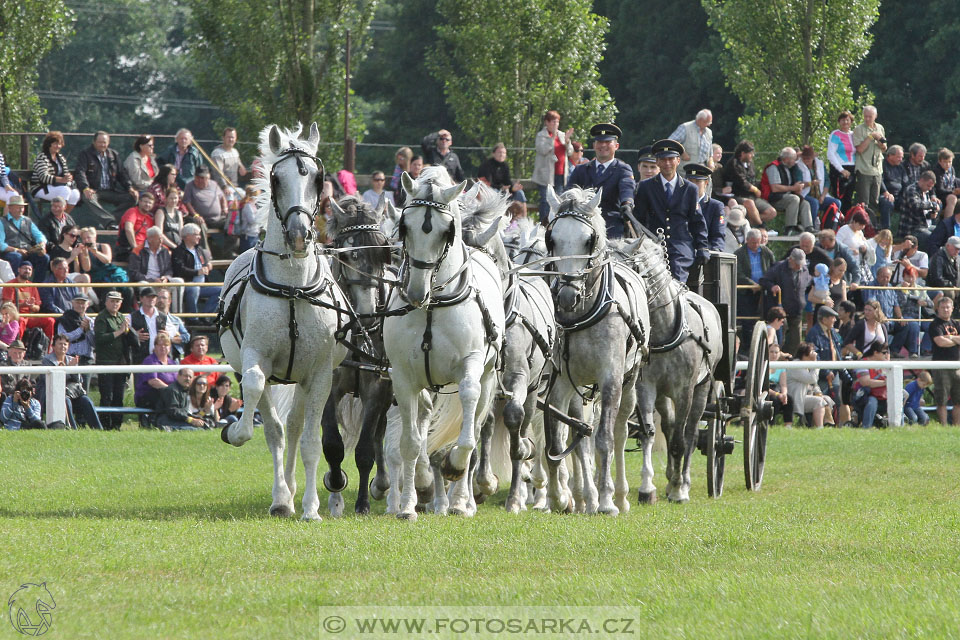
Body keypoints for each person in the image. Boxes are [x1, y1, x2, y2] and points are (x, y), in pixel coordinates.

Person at [635, 139, 708, 284]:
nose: (667, 163)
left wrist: (702, 247)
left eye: (671, 159)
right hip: (653, 244)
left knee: (675, 273)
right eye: (663, 159)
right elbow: (639, 219)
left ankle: (677, 305)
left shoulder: (690, 189)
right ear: (657, 162)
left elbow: (697, 221)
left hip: (680, 245)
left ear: (678, 161)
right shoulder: (646, 187)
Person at [568, 123, 636, 240]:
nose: (603, 145)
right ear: (594, 145)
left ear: (616, 146)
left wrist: (627, 203)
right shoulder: (580, 170)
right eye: (599, 142)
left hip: (611, 225)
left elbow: (627, 188)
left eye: (608, 142)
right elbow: (568, 194)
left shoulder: (623, 169)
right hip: (582, 224)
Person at [39, 334, 104, 430]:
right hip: (52, 396)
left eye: (65, 344)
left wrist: (72, 369)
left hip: (72, 394)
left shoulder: (71, 359)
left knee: (86, 401)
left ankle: (98, 429)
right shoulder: (47, 360)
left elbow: (78, 380)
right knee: (65, 401)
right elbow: (51, 381)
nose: (63, 346)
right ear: (53, 346)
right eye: (60, 344)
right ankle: (72, 428)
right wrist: (68, 369)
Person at [94, 290, 136, 429]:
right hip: (106, 362)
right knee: (107, 396)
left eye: (117, 301)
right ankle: (105, 425)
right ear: (106, 302)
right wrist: (119, 332)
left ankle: (117, 425)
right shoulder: (101, 317)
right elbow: (99, 339)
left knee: (119, 395)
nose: (114, 304)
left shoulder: (121, 318)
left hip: (120, 362)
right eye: (112, 301)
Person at [74, 131, 138, 218]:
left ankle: (112, 219)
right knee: (88, 198)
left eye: (104, 142)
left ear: (108, 143)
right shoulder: (85, 154)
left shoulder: (113, 155)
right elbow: (80, 172)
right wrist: (85, 188)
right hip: (94, 190)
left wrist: (130, 188)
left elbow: (122, 173)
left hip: (111, 190)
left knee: (132, 198)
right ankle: (109, 222)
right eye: (99, 142)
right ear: (94, 142)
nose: (102, 145)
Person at [759, 248, 810, 355]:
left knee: (795, 341)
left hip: (797, 311)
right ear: (790, 260)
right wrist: (772, 287)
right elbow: (764, 280)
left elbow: (808, 283)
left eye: (801, 264)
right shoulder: (778, 268)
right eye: (797, 264)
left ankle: (790, 362)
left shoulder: (805, 270)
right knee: (779, 340)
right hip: (781, 311)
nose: (799, 266)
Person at [805, 305, 850, 424]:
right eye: (832, 318)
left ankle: (836, 425)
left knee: (836, 401)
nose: (835, 320)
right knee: (821, 399)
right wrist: (825, 372)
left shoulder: (832, 333)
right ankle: (818, 424)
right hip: (822, 375)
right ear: (824, 320)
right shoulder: (813, 334)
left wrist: (841, 370)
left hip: (834, 373)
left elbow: (837, 352)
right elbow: (815, 356)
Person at [722, 140, 776, 227]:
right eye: (750, 153)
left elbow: (753, 179)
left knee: (771, 212)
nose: (752, 155)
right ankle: (761, 227)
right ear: (743, 153)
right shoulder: (733, 164)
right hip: (737, 196)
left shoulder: (750, 164)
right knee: (750, 203)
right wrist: (755, 190)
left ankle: (747, 223)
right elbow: (742, 182)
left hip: (752, 196)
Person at [533, 111, 575, 221]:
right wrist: (552, 139)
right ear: (546, 122)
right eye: (553, 122)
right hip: (545, 175)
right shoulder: (541, 135)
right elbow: (542, 150)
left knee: (559, 200)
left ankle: (556, 222)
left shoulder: (561, 135)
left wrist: (567, 141)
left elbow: (570, 152)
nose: (556, 124)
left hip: (561, 174)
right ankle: (544, 223)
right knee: (545, 200)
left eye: (557, 122)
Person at [763, 147, 813, 235]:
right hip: (773, 199)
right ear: (786, 159)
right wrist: (793, 188)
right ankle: (790, 228)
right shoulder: (773, 167)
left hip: (786, 197)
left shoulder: (787, 168)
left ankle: (809, 228)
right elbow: (775, 188)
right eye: (794, 159)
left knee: (805, 203)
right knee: (794, 199)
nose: (795, 162)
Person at [173, 223, 220, 315]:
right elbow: (180, 270)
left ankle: (206, 316)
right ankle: (193, 318)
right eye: (196, 234)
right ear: (187, 236)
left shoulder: (199, 249)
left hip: (203, 285)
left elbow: (205, 262)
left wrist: (208, 265)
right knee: (194, 289)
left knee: (221, 289)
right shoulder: (179, 251)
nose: (199, 237)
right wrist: (197, 272)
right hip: (188, 285)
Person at [0, 194, 50, 277]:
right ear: (10, 208)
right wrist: (16, 250)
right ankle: (15, 285)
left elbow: (39, 235)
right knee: (16, 257)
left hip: (27, 252)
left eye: (22, 207)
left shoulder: (28, 221)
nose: (21, 210)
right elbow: (1, 245)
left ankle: (37, 286)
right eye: (18, 207)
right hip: (9, 253)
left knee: (44, 257)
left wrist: (42, 245)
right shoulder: (1, 222)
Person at [2, 263, 55, 340]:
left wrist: (32, 306)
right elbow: (7, 306)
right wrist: (22, 305)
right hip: (15, 316)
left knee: (50, 320)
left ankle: (48, 347)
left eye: (29, 269)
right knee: (21, 320)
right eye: (25, 268)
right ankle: (17, 346)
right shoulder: (10, 284)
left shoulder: (32, 286)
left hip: (29, 316)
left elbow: (38, 307)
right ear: (19, 270)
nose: (27, 271)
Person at [928, 295, 960, 425]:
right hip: (941, 366)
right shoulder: (935, 324)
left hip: (957, 366)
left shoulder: (956, 324)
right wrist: (956, 339)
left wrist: (950, 338)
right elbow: (940, 342)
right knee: (942, 400)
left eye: (948, 307)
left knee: (958, 400)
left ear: (952, 308)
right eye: (943, 307)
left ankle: (957, 426)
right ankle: (944, 426)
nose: (945, 310)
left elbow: (947, 340)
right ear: (938, 309)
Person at [788, 342, 835, 428]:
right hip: (795, 398)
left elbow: (814, 384)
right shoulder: (796, 365)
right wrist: (815, 363)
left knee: (826, 399)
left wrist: (818, 393)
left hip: (805, 396)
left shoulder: (805, 365)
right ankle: (820, 427)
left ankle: (827, 424)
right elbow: (812, 379)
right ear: (804, 354)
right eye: (811, 352)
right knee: (819, 402)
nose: (814, 354)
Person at [31, 131, 81, 210]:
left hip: (57, 187)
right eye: (55, 144)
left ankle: (63, 218)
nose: (58, 146)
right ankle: (56, 217)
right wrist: (61, 180)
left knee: (75, 193)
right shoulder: (42, 157)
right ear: (49, 144)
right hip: (41, 188)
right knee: (65, 190)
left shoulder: (60, 158)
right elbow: (43, 177)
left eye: (60, 144)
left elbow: (65, 173)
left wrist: (68, 178)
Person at [853, 105, 887, 216]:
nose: (867, 119)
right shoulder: (859, 129)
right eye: (865, 116)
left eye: (870, 116)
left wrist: (881, 143)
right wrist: (871, 137)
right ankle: (862, 227)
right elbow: (859, 149)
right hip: (864, 169)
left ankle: (872, 227)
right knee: (864, 203)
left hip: (877, 170)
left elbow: (884, 148)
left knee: (874, 202)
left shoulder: (880, 128)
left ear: (875, 116)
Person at [734, 228, 774, 323]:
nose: (755, 245)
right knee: (747, 319)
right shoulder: (739, 253)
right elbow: (738, 273)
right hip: (746, 291)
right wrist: (752, 284)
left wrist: (766, 283)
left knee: (764, 317)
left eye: (757, 242)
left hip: (764, 290)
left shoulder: (766, 252)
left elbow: (773, 268)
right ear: (747, 240)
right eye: (752, 243)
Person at [684, 163, 725, 253]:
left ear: (706, 183)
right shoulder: (679, 202)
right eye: (690, 181)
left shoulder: (715, 206)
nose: (693, 185)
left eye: (698, 182)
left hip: (704, 253)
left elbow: (718, 235)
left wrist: (715, 251)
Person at [796, 145, 841, 228]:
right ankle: (810, 227)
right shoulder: (798, 166)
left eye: (808, 158)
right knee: (814, 202)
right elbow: (798, 183)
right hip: (804, 194)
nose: (806, 161)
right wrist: (810, 183)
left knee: (836, 202)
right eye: (804, 158)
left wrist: (823, 196)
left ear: (813, 158)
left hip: (821, 194)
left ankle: (829, 227)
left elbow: (827, 181)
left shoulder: (820, 164)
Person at [134, 332, 178, 409]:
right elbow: (153, 382)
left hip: (168, 395)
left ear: (170, 347)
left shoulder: (172, 363)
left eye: (166, 345)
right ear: (155, 346)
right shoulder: (150, 361)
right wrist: (170, 390)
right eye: (160, 345)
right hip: (149, 396)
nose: (163, 347)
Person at [129, 226, 180, 291]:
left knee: (179, 281)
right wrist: (152, 280)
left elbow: (169, 269)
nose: (161, 241)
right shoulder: (137, 251)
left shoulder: (165, 250)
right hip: (147, 281)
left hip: (162, 282)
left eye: (162, 238)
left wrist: (166, 278)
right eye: (159, 239)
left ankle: (177, 302)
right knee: (143, 284)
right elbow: (134, 273)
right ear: (150, 239)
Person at [853, 343, 889, 429]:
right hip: (864, 395)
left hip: (882, 394)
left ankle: (898, 426)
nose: (886, 355)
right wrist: (884, 383)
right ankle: (866, 427)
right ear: (875, 352)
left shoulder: (885, 364)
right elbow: (865, 382)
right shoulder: (863, 363)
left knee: (900, 396)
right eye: (884, 353)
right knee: (872, 401)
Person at [827, 110, 857, 213]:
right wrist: (841, 170)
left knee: (849, 197)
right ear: (839, 122)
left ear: (851, 122)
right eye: (843, 120)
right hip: (839, 168)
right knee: (839, 197)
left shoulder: (854, 135)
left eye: (847, 120)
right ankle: (836, 221)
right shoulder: (835, 134)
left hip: (852, 168)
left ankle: (847, 221)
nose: (845, 122)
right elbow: (830, 154)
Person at [900, 171, 941, 244]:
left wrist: (930, 215)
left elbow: (922, 213)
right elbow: (915, 205)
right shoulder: (911, 190)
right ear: (921, 180)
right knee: (933, 238)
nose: (930, 189)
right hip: (912, 229)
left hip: (924, 226)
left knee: (943, 232)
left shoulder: (925, 192)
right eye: (928, 186)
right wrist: (933, 205)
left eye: (931, 187)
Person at [129, 286, 167, 363]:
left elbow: (175, 335)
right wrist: (135, 337)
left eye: (153, 297)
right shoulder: (131, 317)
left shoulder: (164, 317)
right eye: (148, 296)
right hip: (140, 358)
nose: (151, 299)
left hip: (160, 358)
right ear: (141, 298)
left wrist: (168, 335)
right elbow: (125, 336)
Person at [57, 294, 95, 369]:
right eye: (78, 302)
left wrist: (88, 330)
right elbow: (63, 338)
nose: (80, 305)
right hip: (69, 358)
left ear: (88, 305)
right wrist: (80, 329)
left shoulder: (91, 321)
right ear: (72, 303)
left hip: (86, 359)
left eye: (83, 303)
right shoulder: (64, 320)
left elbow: (94, 343)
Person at [116, 192, 156, 262]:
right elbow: (128, 229)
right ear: (140, 202)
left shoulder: (150, 218)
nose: (147, 204)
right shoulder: (132, 211)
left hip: (145, 249)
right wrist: (135, 248)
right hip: (128, 249)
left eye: (150, 203)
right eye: (145, 202)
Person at [836, 211, 875, 278]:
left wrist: (864, 249)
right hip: (847, 263)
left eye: (864, 225)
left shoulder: (860, 233)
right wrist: (849, 250)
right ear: (854, 221)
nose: (862, 227)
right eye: (860, 224)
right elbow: (837, 244)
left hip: (859, 264)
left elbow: (865, 243)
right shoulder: (844, 230)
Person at [879, 145, 908, 230]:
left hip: (899, 196)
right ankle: (885, 230)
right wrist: (886, 192)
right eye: (898, 157)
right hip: (885, 195)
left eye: (902, 157)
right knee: (887, 202)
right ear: (890, 155)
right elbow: (879, 180)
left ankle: (905, 231)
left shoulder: (900, 167)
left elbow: (905, 183)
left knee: (910, 202)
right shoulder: (882, 165)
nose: (901, 159)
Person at [927, 236, 960, 305]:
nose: (958, 251)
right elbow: (937, 278)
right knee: (950, 293)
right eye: (956, 248)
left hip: (954, 285)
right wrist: (951, 285)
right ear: (948, 246)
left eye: (958, 249)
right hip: (940, 286)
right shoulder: (938, 258)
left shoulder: (956, 258)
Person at [157, 288, 189, 359]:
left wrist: (169, 339)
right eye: (158, 297)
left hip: (174, 356)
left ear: (169, 301)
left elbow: (186, 337)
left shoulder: (176, 320)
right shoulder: (151, 318)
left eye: (164, 298)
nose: (160, 300)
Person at [932, 148, 960, 221]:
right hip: (941, 195)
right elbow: (939, 189)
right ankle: (947, 224)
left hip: (951, 192)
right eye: (945, 162)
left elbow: (954, 182)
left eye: (950, 162)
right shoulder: (937, 171)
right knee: (952, 198)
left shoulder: (952, 169)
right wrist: (952, 192)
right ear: (940, 161)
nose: (948, 164)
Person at [235, 186, 262, 253]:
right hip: (248, 235)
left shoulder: (253, 206)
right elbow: (252, 220)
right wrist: (261, 216)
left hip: (255, 234)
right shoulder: (248, 206)